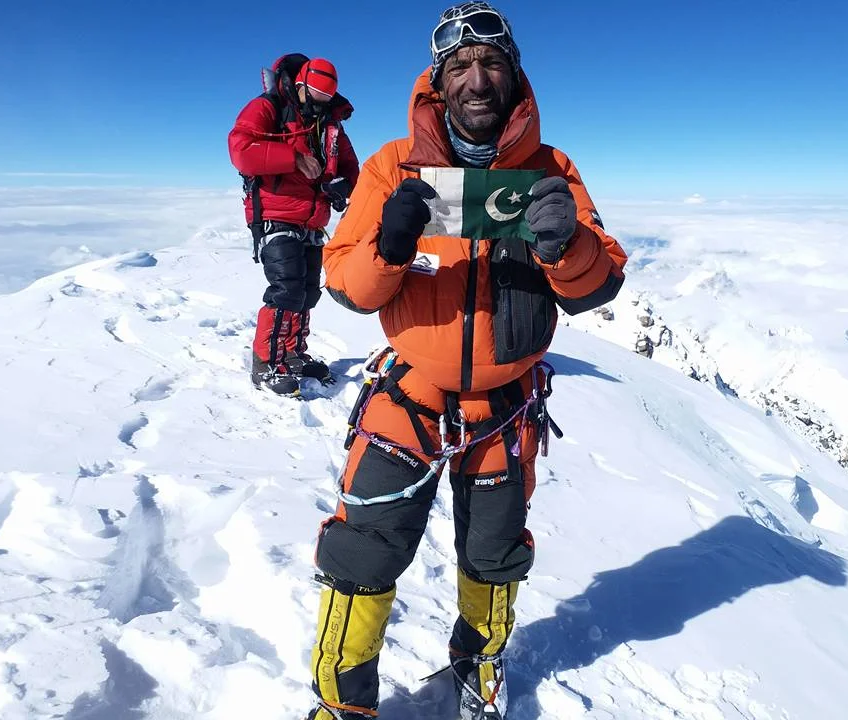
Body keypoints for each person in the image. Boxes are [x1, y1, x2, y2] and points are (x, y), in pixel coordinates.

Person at [306, 3, 628, 718]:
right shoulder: (394, 165)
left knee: (494, 557)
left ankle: (477, 665)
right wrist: (388, 245)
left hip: (503, 406)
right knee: (361, 554)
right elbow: (345, 285)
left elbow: (600, 280)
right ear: (437, 82)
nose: (476, 80)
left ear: (514, 78)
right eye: (460, 67)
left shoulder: (552, 170)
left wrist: (564, 245)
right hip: (408, 395)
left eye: (491, 64)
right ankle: (341, 703)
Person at [229, 55, 360, 395]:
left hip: (314, 217)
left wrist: (344, 185)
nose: (319, 107)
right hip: (276, 213)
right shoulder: (268, 107)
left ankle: (292, 353)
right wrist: (293, 158)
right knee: (286, 289)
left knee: (307, 292)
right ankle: (266, 363)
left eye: (326, 100)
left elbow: (350, 165)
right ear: (299, 86)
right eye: (315, 98)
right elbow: (241, 150)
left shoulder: (330, 122)